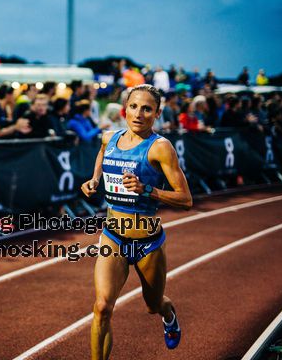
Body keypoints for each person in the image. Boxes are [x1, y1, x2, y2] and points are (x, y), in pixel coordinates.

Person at [81, 84, 192, 359]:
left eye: (146, 109)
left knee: (153, 305)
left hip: (147, 242)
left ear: (157, 113)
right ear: (124, 109)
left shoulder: (160, 148)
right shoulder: (109, 137)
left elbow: (186, 199)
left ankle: (168, 315)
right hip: (113, 237)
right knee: (102, 307)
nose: (138, 114)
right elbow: (102, 154)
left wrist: (147, 190)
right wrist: (95, 178)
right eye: (133, 106)